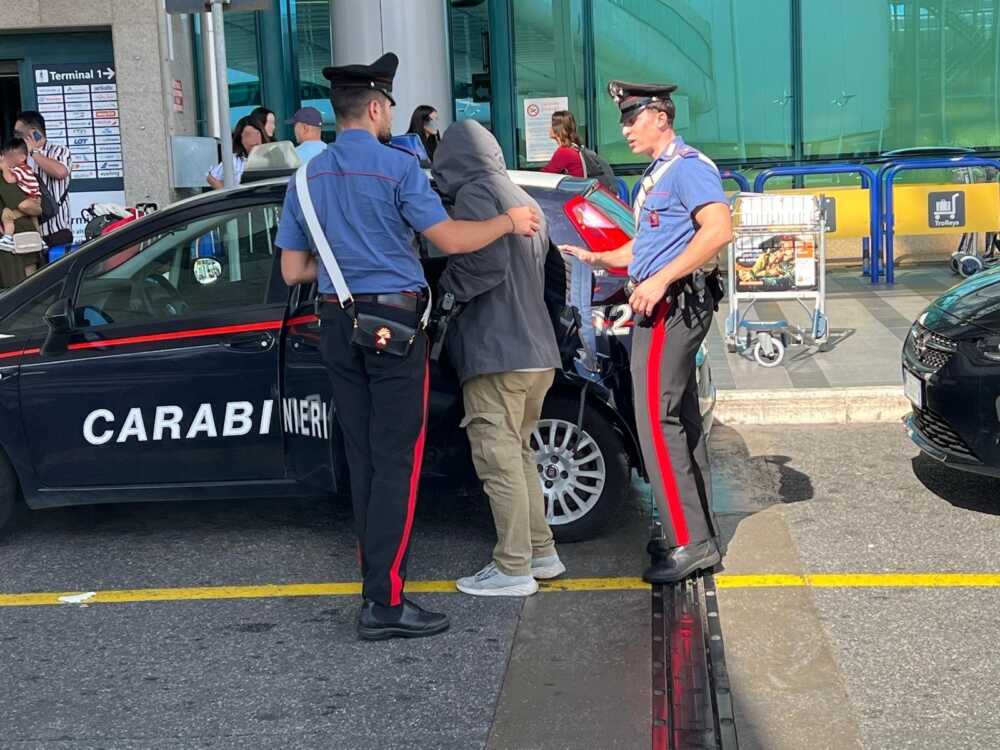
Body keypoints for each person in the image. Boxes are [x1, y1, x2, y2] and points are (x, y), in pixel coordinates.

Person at [276, 53, 541, 641]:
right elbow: (446, 239)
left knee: (365, 457)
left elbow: (294, 269)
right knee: (400, 461)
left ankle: (377, 585)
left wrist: (344, 257)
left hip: (335, 323)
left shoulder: (303, 179)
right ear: (374, 107)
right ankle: (384, 602)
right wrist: (506, 222)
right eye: (389, 105)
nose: (391, 114)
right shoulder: (398, 168)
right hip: (393, 329)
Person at [561, 81, 731, 583]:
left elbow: (719, 230)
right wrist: (595, 257)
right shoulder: (656, 177)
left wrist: (659, 280)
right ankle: (695, 532)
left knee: (657, 422)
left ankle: (691, 541)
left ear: (660, 116)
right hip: (661, 303)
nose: (625, 129)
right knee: (678, 420)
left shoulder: (688, 168)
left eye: (632, 118)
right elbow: (644, 248)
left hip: (672, 308)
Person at [433, 120, 565, 598]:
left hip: (496, 349)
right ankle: (542, 551)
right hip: (537, 351)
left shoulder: (473, 194)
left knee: (497, 459)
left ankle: (512, 568)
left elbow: (483, 263)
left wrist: (445, 292)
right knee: (520, 453)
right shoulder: (523, 196)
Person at [13, 111, 72, 251]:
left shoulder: (59, 151)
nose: (15, 137)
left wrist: (34, 152)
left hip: (56, 231)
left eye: (18, 134)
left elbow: (60, 172)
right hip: (29, 231)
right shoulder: (19, 156)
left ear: (33, 132)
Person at [207, 117, 265, 190]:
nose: (253, 139)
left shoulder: (271, 156)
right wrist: (227, 193)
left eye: (257, 134)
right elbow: (211, 177)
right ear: (240, 139)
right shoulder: (234, 160)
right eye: (248, 135)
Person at [1, 139, 41, 235]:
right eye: (6, 156)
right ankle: (39, 238)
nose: (7, 159)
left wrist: (4, 167)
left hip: (31, 197)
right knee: (33, 218)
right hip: (32, 198)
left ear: (22, 158)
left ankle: (7, 238)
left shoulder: (20, 169)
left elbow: (10, 180)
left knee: (7, 217)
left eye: (10, 157)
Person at [541, 110, 584, 177]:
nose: (549, 128)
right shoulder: (574, 147)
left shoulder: (564, 151)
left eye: (551, 125)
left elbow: (545, 175)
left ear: (558, 128)